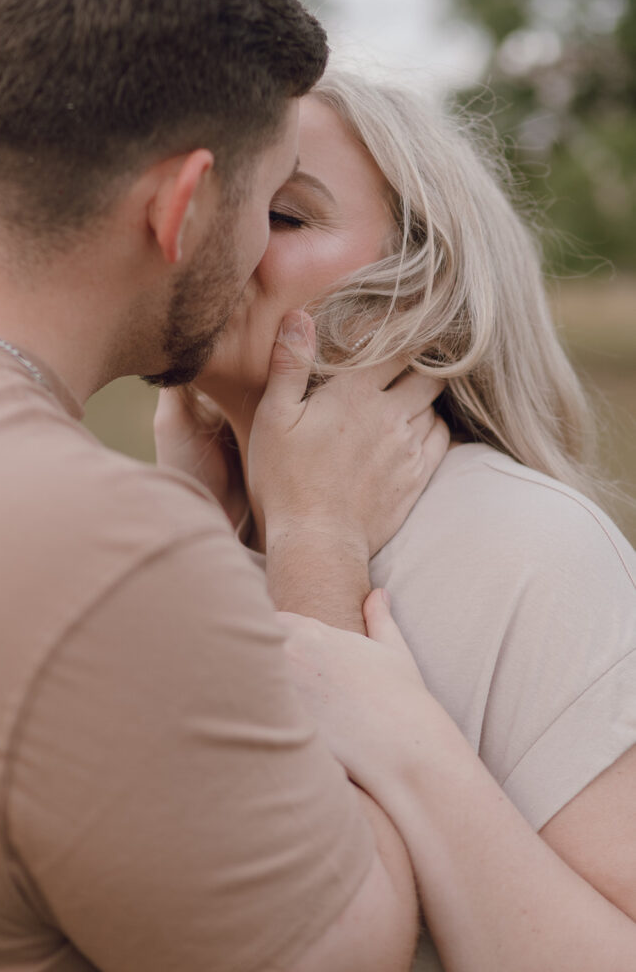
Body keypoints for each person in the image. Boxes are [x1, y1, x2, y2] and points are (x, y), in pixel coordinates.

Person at [0, 0, 452, 971]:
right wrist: (314, 541)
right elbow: (345, 954)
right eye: (267, 203)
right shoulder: (105, 554)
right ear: (182, 207)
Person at [156, 66, 636, 970]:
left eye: (285, 214)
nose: (214, 236)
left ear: (421, 285)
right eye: (210, 196)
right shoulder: (184, 532)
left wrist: (414, 754)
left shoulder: (526, 550)